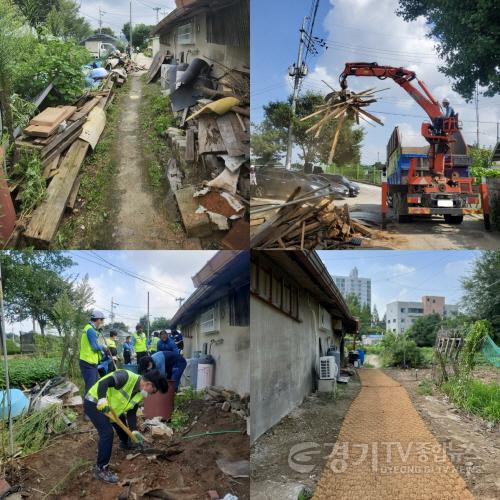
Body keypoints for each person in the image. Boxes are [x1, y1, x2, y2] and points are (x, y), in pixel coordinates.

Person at [84, 369, 168, 483]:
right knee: (107, 433)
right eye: (152, 392)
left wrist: (133, 431)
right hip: (94, 402)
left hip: (112, 410)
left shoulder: (140, 393)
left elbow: (131, 413)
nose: (150, 395)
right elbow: (103, 383)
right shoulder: (125, 376)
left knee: (123, 424)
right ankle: (101, 469)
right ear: (148, 384)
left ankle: (125, 443)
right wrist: (102, 399)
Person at [79, 311, 108, 393]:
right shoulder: (90, 330)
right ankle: (88, 404)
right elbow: (95, 347)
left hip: (89, 361)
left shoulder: (89, 328)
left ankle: (89, 403)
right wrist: (104, 347)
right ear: (97, 320)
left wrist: (98, 331)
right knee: (91, 387)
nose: (103, 322)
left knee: (92, 385)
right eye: (102, 320)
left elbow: (94, 340)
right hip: (88, 362)